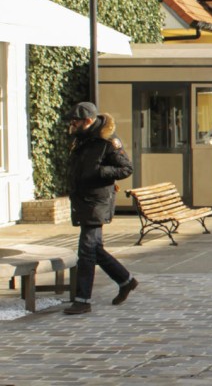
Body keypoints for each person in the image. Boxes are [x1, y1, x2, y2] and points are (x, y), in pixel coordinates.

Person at [63, 102, 138, 315]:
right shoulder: (80, 139)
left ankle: (82, 300)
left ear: (88, 121)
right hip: (83, 201)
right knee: (94, 249)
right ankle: (125, 280)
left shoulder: (108, 142)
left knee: (86, 251)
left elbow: (126, 168)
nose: (72, 123)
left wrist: (99, 171)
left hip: (98, 202)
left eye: (75, 120)